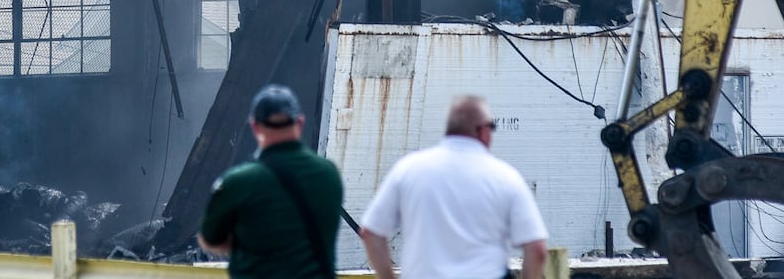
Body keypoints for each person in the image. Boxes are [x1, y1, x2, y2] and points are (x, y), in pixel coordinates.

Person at [360, 94, 548, 279]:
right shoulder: (506, 177)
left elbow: (371, 232)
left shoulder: (408, 169)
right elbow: (537, 249)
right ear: (482, 131)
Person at [197, 84, 343, 279]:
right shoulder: (329, 175)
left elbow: (209, 239)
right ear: (299, 122)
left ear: (255, 126)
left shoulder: (238, 182)